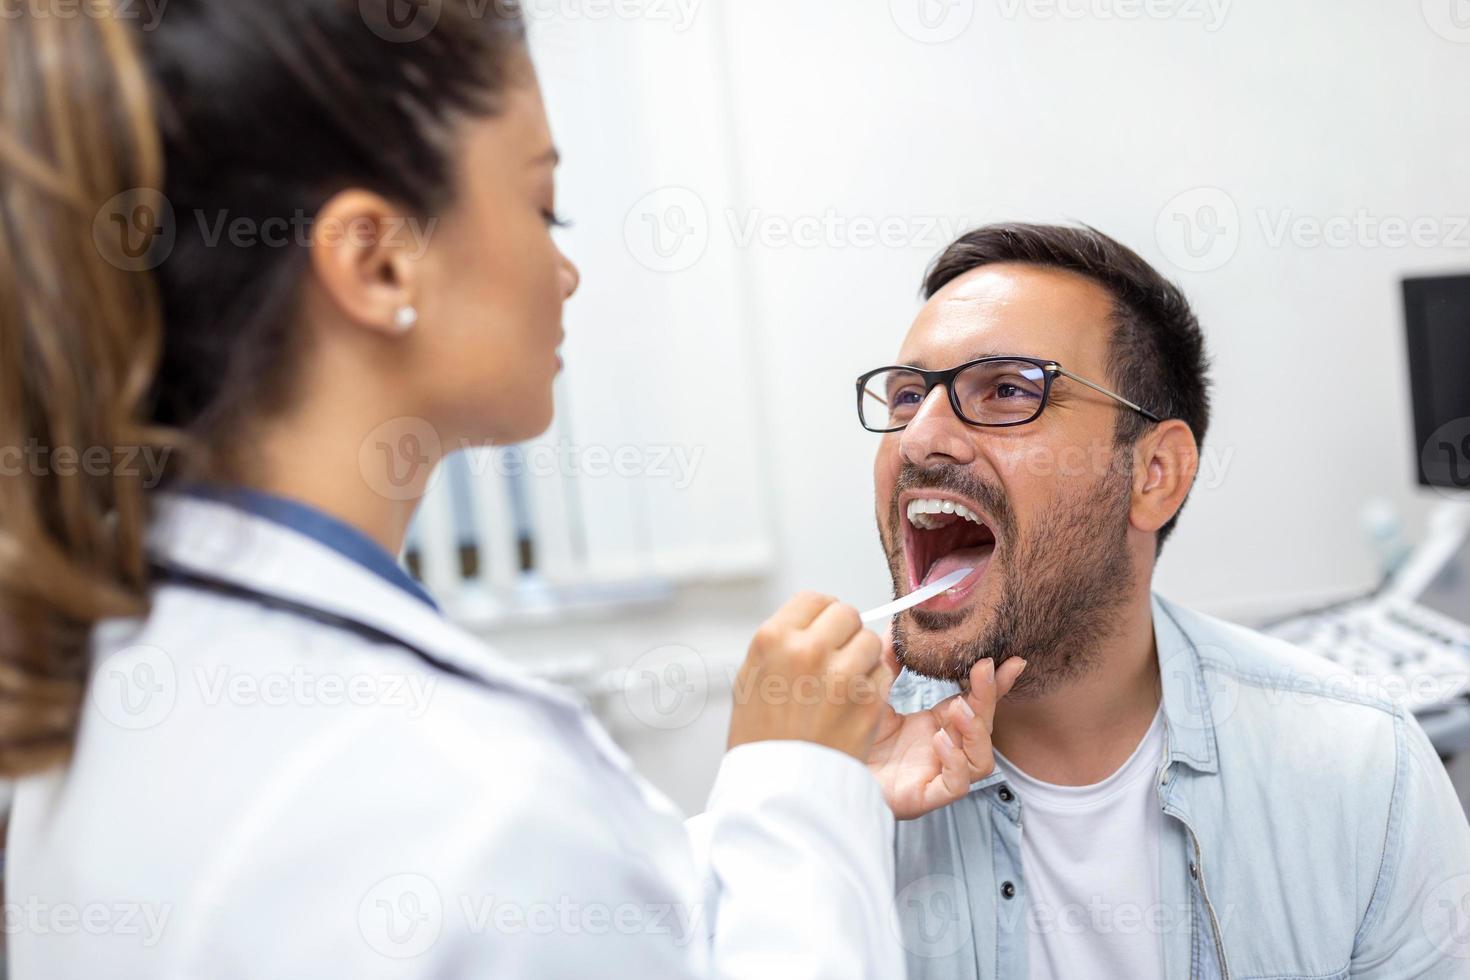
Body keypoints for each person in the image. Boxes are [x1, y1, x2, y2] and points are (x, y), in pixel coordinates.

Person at [0, 3, 1014, 975]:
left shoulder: (121, 670)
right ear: (379, 260)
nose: (564, 272)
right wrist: (795, 788)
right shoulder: (476, 804)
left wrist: (815, 793)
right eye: (543, 206)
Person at [859, 221, 1470, 978]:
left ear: (1155, 474)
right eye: (908, 395)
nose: (919, 438)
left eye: (1008, 390)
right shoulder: (834, 775)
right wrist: (817, 818)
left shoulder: (1366, 772)